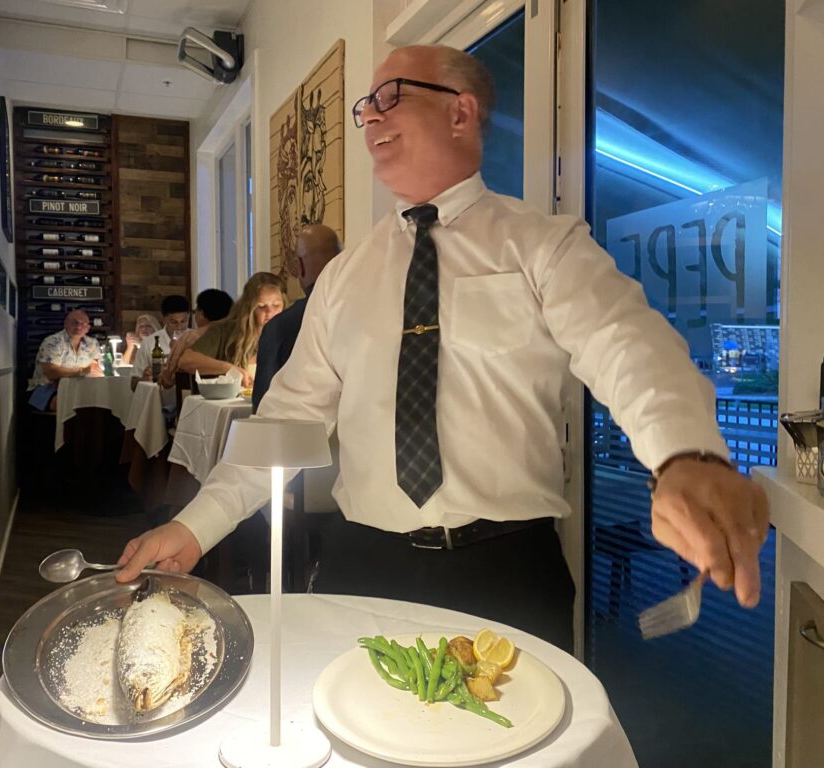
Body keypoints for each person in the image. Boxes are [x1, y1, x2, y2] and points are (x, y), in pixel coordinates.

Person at [117, 45, 768, 651]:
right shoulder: (346, 276)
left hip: (508, 574)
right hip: (361, 564)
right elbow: (284, 424)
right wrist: (193, 527)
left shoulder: (542, 245)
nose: (369, 116)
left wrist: (683, 453)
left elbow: (625, 343)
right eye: (364, 106)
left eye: (390, 95)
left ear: (461, 111)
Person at [252, 224, 341, 411]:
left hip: (299, 437)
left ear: (300, 266)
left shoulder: (279, 328)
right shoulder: (369, 313)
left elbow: (262, 409)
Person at [176, 272, 285, 389]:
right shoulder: (224, 331)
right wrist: (228, 368)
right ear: (249, 307)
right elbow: (186, 360)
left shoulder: (290, 333)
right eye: (262, 306)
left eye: (276, 305)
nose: (270, 313)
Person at [27, 309, 102, 411]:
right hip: (47, 388)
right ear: (66, 324)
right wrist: (81, 371)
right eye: (74, 322)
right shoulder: (53, 342)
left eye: (83, 324)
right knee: (69, 404)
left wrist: (64, 373)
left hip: (79, 387)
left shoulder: (92, 343)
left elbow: (95, 367)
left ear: (88, 328)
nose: (79, 326)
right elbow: (51, 373)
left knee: (100, 402)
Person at [130, 295, 190, 390]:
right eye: (174, 322)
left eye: (184, 321)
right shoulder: (149, 343)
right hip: (159, 401)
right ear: (164, 319)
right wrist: (144, 379)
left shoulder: (195, 339)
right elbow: (133, 384)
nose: (179, 327)